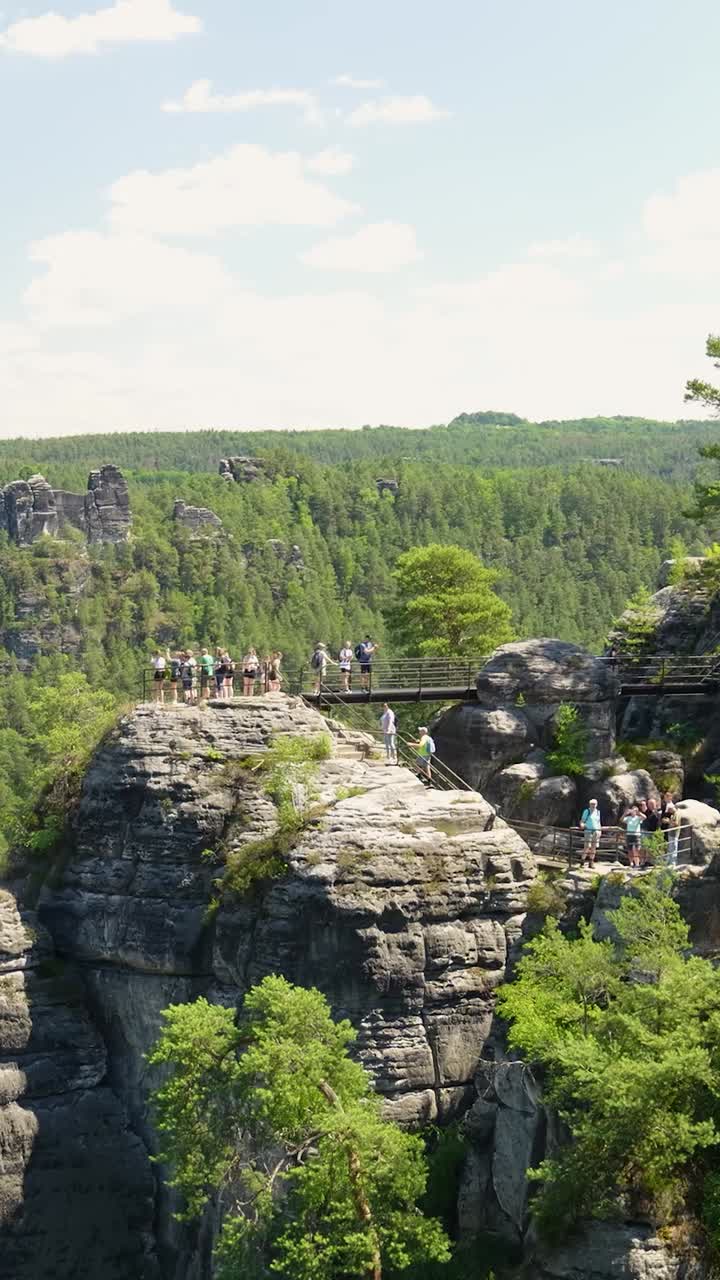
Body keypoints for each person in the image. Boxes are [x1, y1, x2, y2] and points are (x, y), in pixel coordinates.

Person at [579, 798, 602, 868]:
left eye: (594, 804)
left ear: (597, 805)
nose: (593, 805)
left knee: (593, 848)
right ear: (589, 804)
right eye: (592, 804)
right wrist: (582, 825)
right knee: (587, 847)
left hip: (596, 831)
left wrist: (600, 830)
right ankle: (582, 860)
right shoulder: (587, 811)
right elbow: (582, 820)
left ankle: (591, 862)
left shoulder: (598, 812)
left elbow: (599, 822)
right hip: (588, 831)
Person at [641, 797, 660, 864]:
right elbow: (643, 812)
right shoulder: (647, 812)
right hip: (646, 831)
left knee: (651, 847)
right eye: (650, 804)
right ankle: (643, 861)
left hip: (653, 831)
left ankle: (650, 861)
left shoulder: (657, 812)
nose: (651, 805)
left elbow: (657, 820)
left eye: (652, 804)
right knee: (644, 847)